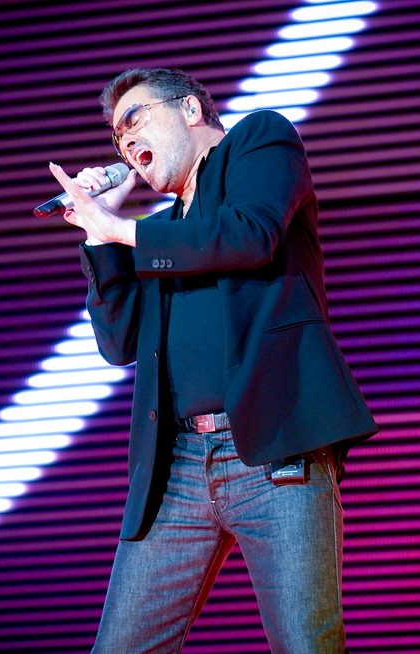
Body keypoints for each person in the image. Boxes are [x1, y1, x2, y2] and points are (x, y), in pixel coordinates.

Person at [49, 67, 377, 654]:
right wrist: (101, 237)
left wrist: (123, 231)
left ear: (191, 110)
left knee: (306, 643)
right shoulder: (160, 233)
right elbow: (121, 344)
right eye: (118, 138)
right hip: (176, 465)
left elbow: (250, 235)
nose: (125, 143)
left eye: (134, 120)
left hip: (275, 450)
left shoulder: (261, 139)